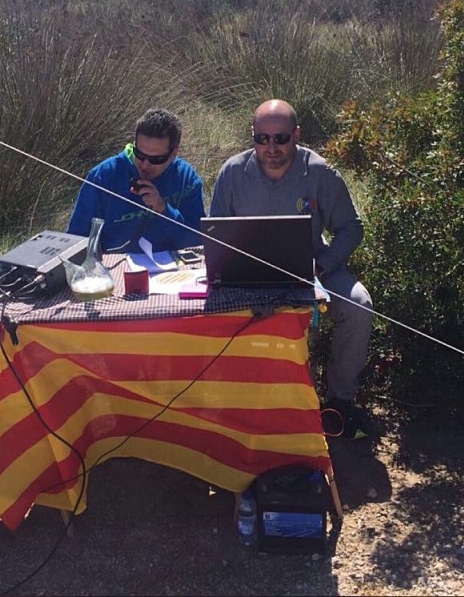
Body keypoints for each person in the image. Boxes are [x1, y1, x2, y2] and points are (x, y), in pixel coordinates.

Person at [209, 99, 375, 439]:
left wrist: (322, 267)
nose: (271, 148)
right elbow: (215, 233)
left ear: (296, 135)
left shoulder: (320, 172)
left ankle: (340, 400)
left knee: (359, 305)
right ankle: (239, 404)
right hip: (251, 274)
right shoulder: (232, 173)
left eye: (281, 138)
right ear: (253, 136)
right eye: (262, 139)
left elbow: (351, 228)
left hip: (312, 267)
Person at [68, 108, 204, 253]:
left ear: (173, 154)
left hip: (171, 263)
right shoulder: (103, 177)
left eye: (156, 159)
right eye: (139, 154)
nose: (145, 165)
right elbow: (77, 238)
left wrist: (164, 210)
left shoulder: (186, 178)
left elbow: (197, 240)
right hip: (113, 262)